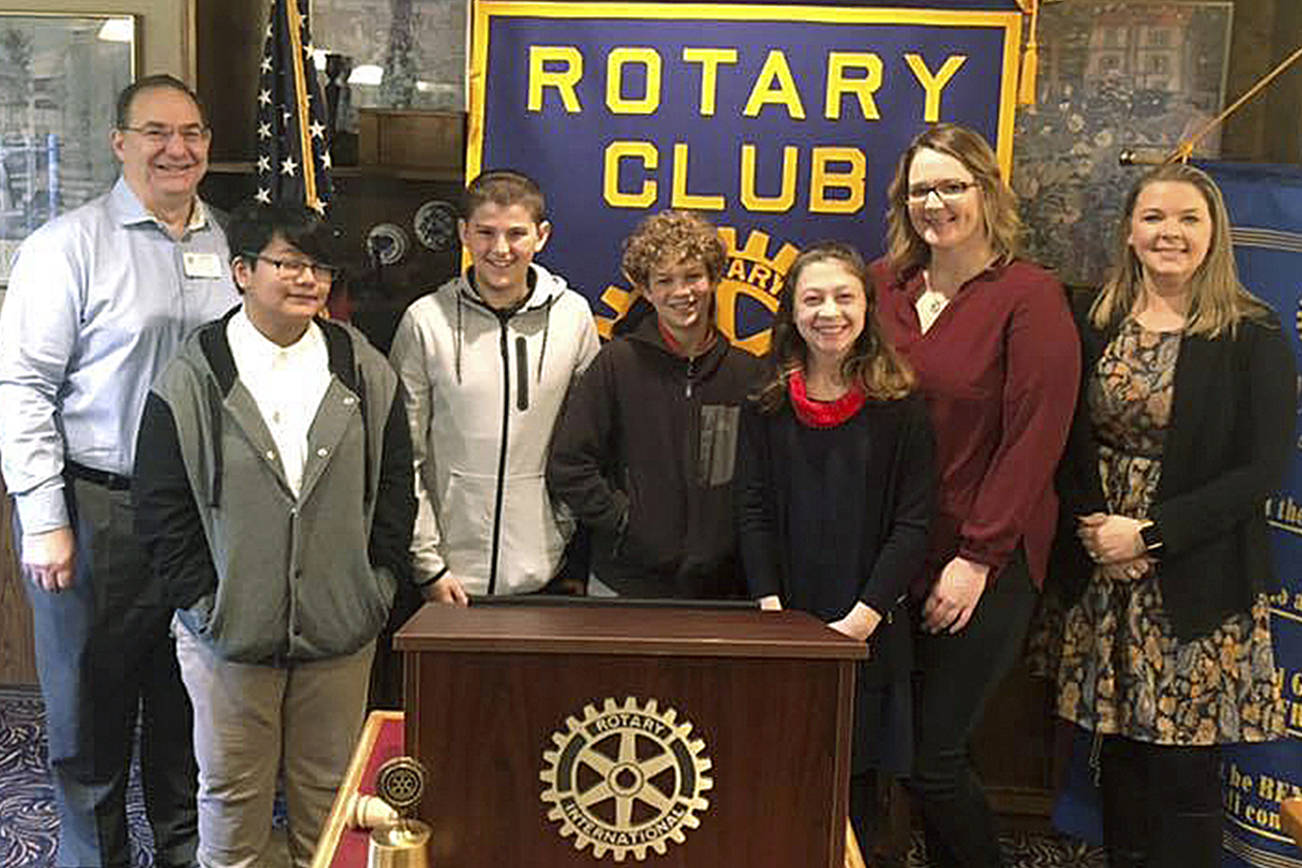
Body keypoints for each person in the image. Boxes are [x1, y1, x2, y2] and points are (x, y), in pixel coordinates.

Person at [133, 203, 417, 868]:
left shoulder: (361, 366)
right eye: (288, 263)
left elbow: (396, 487)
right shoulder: (195, 373)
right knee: (232, 802)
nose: (308, 279)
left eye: (319, 267)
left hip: (340, 633)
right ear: (241, 271)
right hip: (227, 639)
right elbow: (160, 503)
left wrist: (374, 590)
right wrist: (205, 604)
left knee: (333, 801)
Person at [0, 74, 236, 868]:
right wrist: (44, 520)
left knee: (188, 703)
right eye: (156, 132)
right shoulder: (67, 246)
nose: (177, 149)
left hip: (203, 515)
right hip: (99, 507)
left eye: (192, 133)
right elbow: (22, 388)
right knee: (89, 715)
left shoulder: (228, 245)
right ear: (120, 142)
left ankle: (183, 853)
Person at [1045, 163, 1291, 868]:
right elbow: (1067, 435)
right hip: (1106, 576)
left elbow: (1260, 471)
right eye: (1153, 217)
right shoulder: (1096, 322)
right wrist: (1098, 530)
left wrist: (1150, 536)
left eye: (1189, 218)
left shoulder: (1251, 334)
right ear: (1129, 231)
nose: (1170, 233)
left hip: (1197, 582)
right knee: (1120, 756)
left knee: (1183, 773)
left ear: (1215, 234)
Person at [869, 123, 1080, 867]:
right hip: (895, 556)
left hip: (983, 560)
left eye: (952, 186)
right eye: (920, 189)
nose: (936, 203)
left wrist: (978, 558)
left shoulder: (1030, 296)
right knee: (892, 752)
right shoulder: (882, 286)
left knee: (934, 756)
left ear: (987, 193)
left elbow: (1035, 440)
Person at [736, 241, 935, 850]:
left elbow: (914, 524)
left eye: (844, 297)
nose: (829, 312)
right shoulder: (765, 401)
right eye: (813, 298)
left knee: (862, 800)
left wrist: (859, 623)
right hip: (784, 627)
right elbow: (751, 509)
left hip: (868, 627)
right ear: (792, 312)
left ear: (866, 307)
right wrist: (773, 613)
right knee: (780, 790)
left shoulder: (901, 405)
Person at [389, 170, 599, 603]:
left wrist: (563, 534)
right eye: (485, 232)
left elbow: (586, 443)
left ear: (541, 236)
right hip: (444, 579)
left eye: (516, 234)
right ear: (464, 233)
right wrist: (427, 565)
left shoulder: (574, 317)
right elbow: (404, 455)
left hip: (545, 572)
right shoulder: (425, 320)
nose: (500, 249)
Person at [548, 209, 763, 599]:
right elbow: (569, 465)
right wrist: (625, 522)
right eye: (664, 280)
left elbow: (761, 483)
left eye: (693, 276)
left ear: (714, 278)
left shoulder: (746, 373)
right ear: (645, 290)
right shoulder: (616, 364)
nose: (682, 292)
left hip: (720, 591)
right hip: (624, 584)